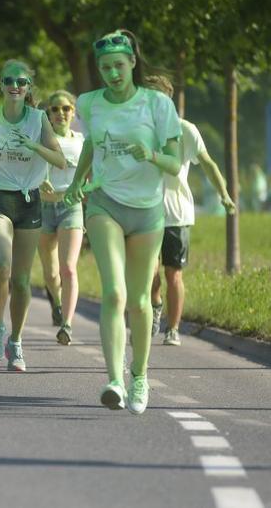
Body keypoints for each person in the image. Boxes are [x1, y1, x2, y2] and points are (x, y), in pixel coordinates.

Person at [64, 30, 181, 415]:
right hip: (105, 203)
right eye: (105, 67)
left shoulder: (157, 103)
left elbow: (174, 162)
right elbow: (90, 144)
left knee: (140, 299)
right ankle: (114, 380)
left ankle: (139, 376)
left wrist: (151, 155)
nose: (112, 73)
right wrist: (77, 181)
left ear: (132, 63)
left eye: (118, 65)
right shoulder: (89, 103)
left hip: (147, 211)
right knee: (114, 293)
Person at [0, 60, 65, 372]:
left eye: (21, 81)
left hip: (29, 200)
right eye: (9, 80)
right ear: (1, 85)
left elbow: (59, 159)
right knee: (2, 265)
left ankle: (15, 341)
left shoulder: (38, 119)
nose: (15, 86)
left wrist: (33, 145)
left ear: (28, 87)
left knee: (21, 280)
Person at [146, 74, 236, 346]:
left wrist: (224, 195)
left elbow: (208, 164)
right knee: (149, 275)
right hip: (144, 213)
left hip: (176, 214)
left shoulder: (186, 130)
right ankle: (155, 305)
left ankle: (173, 329)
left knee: (173, 274)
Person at [37, 90, 86, 345]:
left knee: (68, 268)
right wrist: (39, 180)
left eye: (66, 108)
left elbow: (92, 174)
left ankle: (66, 324)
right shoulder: (42, 139)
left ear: (73, 112)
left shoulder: (81, 141)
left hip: (71, 207)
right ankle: (57, 303)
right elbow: (29, 170)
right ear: (49, 113)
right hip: (44, 209)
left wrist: (85, 188)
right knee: (50, 273)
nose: (60, 113)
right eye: (55, 109)